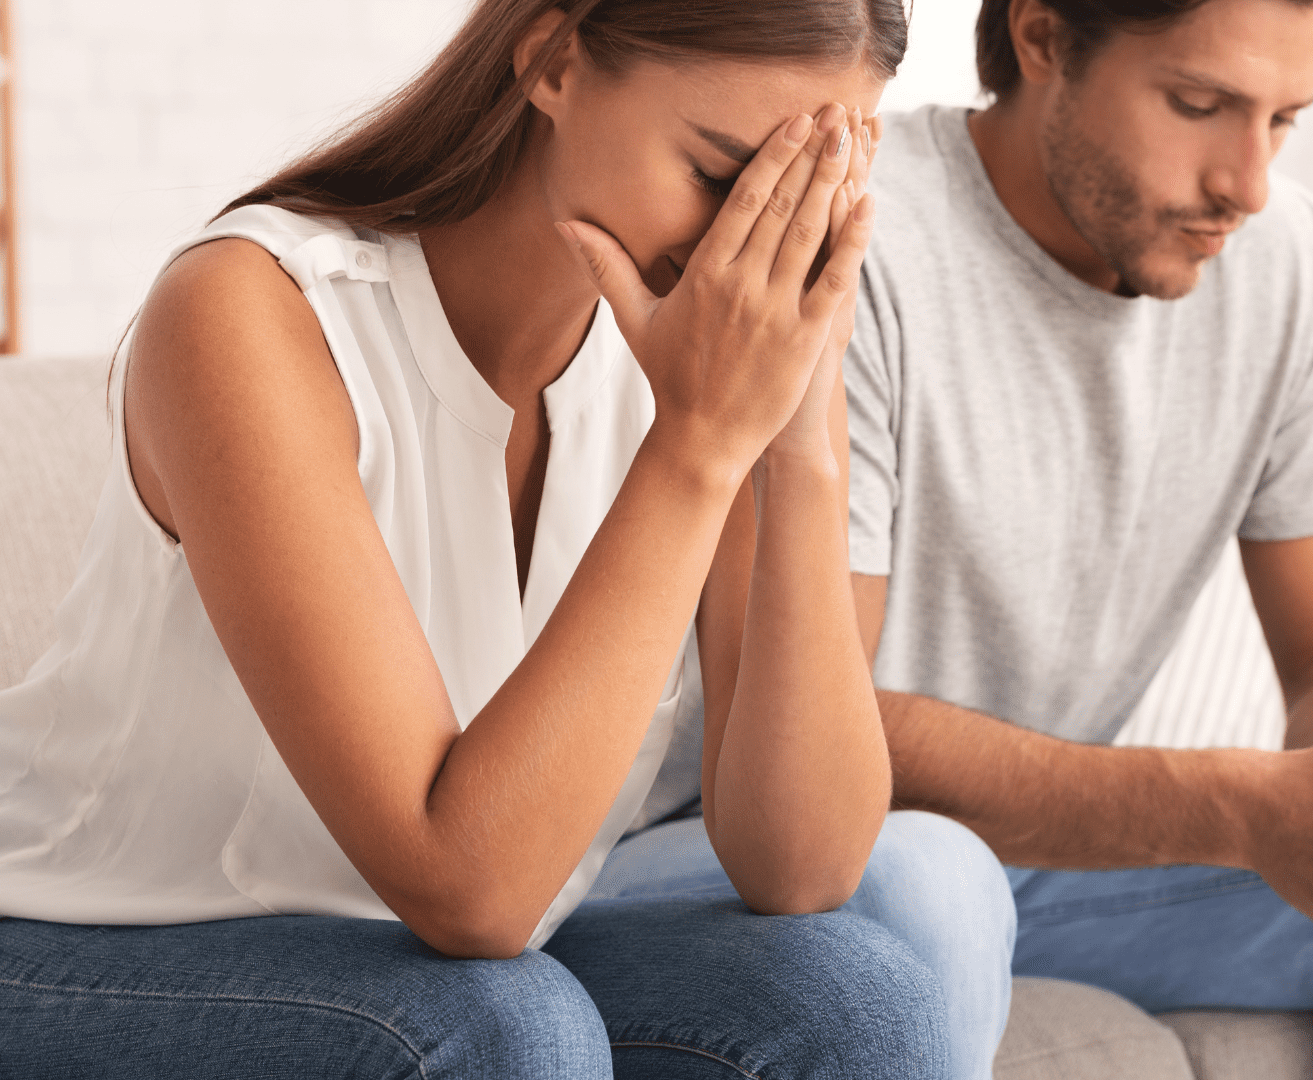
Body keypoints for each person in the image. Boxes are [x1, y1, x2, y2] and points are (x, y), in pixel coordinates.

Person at [0, 1, 1013, 1078]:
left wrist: (799, 438)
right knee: (505, 1028)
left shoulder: (698, 352)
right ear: (555, 62)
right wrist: (698, 449)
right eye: (725, 178)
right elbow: (471, 892)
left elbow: (800, 866)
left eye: (800, 203)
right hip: (90, 949)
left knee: (853, 998)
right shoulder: (253, 315)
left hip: (421, 969)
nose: (747, 255)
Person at [836, 0, 1313, 1076]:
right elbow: (820, 729)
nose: (1248, 182)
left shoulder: (1285, 265)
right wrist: (1235, 809)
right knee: (928, 879)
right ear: (1043, 37)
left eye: (1286, 120)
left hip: (1031, 869)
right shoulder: (862, 238)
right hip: (765, 850)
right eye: (1200, 105)